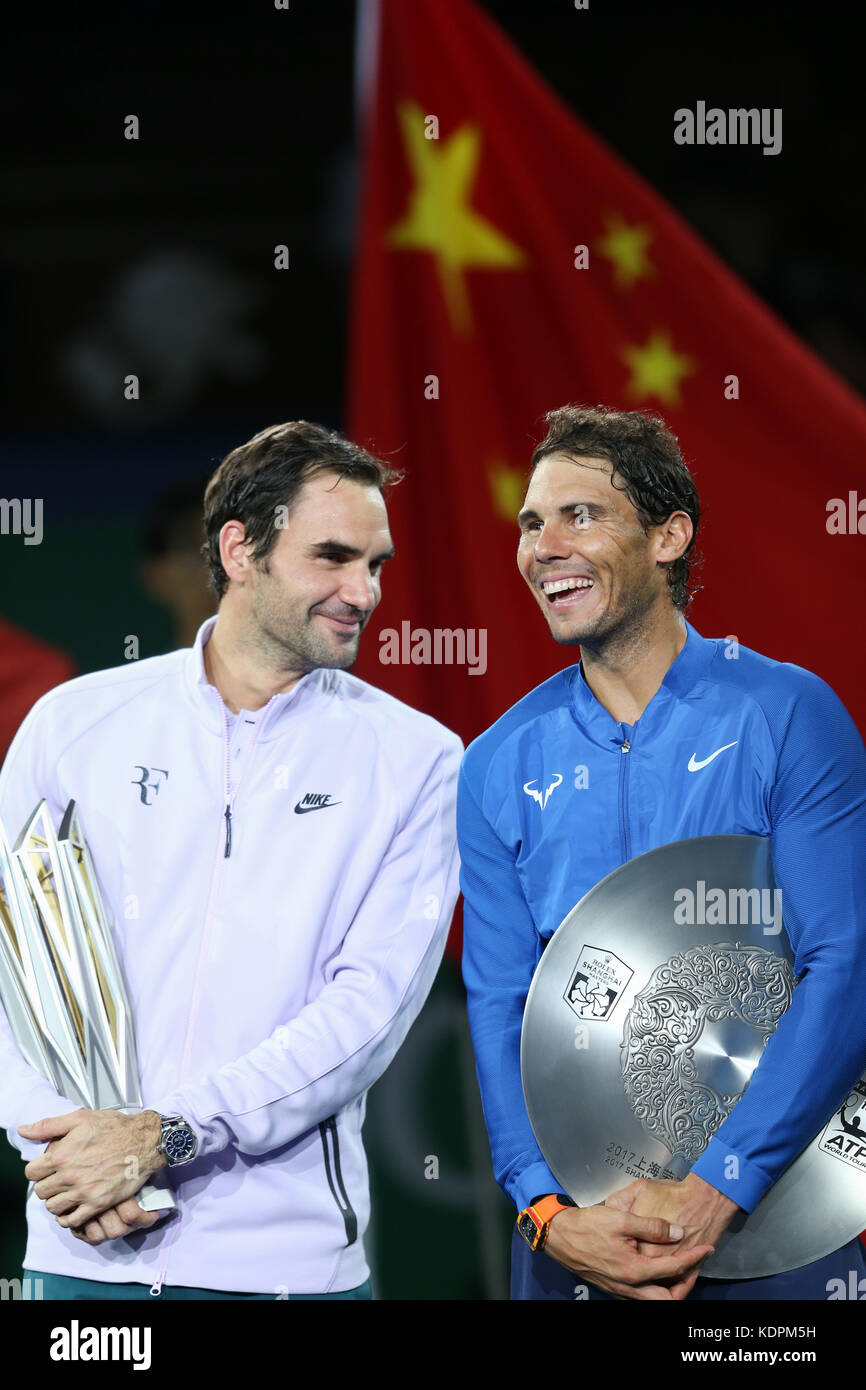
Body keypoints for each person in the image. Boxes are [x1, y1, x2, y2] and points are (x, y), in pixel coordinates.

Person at [0, 420, 462, 1300]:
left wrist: (167, 1134)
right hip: (81, 1248)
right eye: (332, 557)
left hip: (283, 1268)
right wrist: (64, 1155)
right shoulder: (72, 725)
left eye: (376, 565)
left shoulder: (421, 760)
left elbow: (365, 1013)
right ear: (239, 548)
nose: (362, 592)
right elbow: (8, 961)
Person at [458, 404, 866, 1301]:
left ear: (669, 536)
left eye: (581, 514)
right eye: (531, 523)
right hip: (580, 1242)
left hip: (780, 1224)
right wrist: (544, 1211)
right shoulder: (494, 765)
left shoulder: (789, 714)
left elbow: (844, 964)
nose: (544, 545)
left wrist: (721, 1185)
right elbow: (499, 1005)